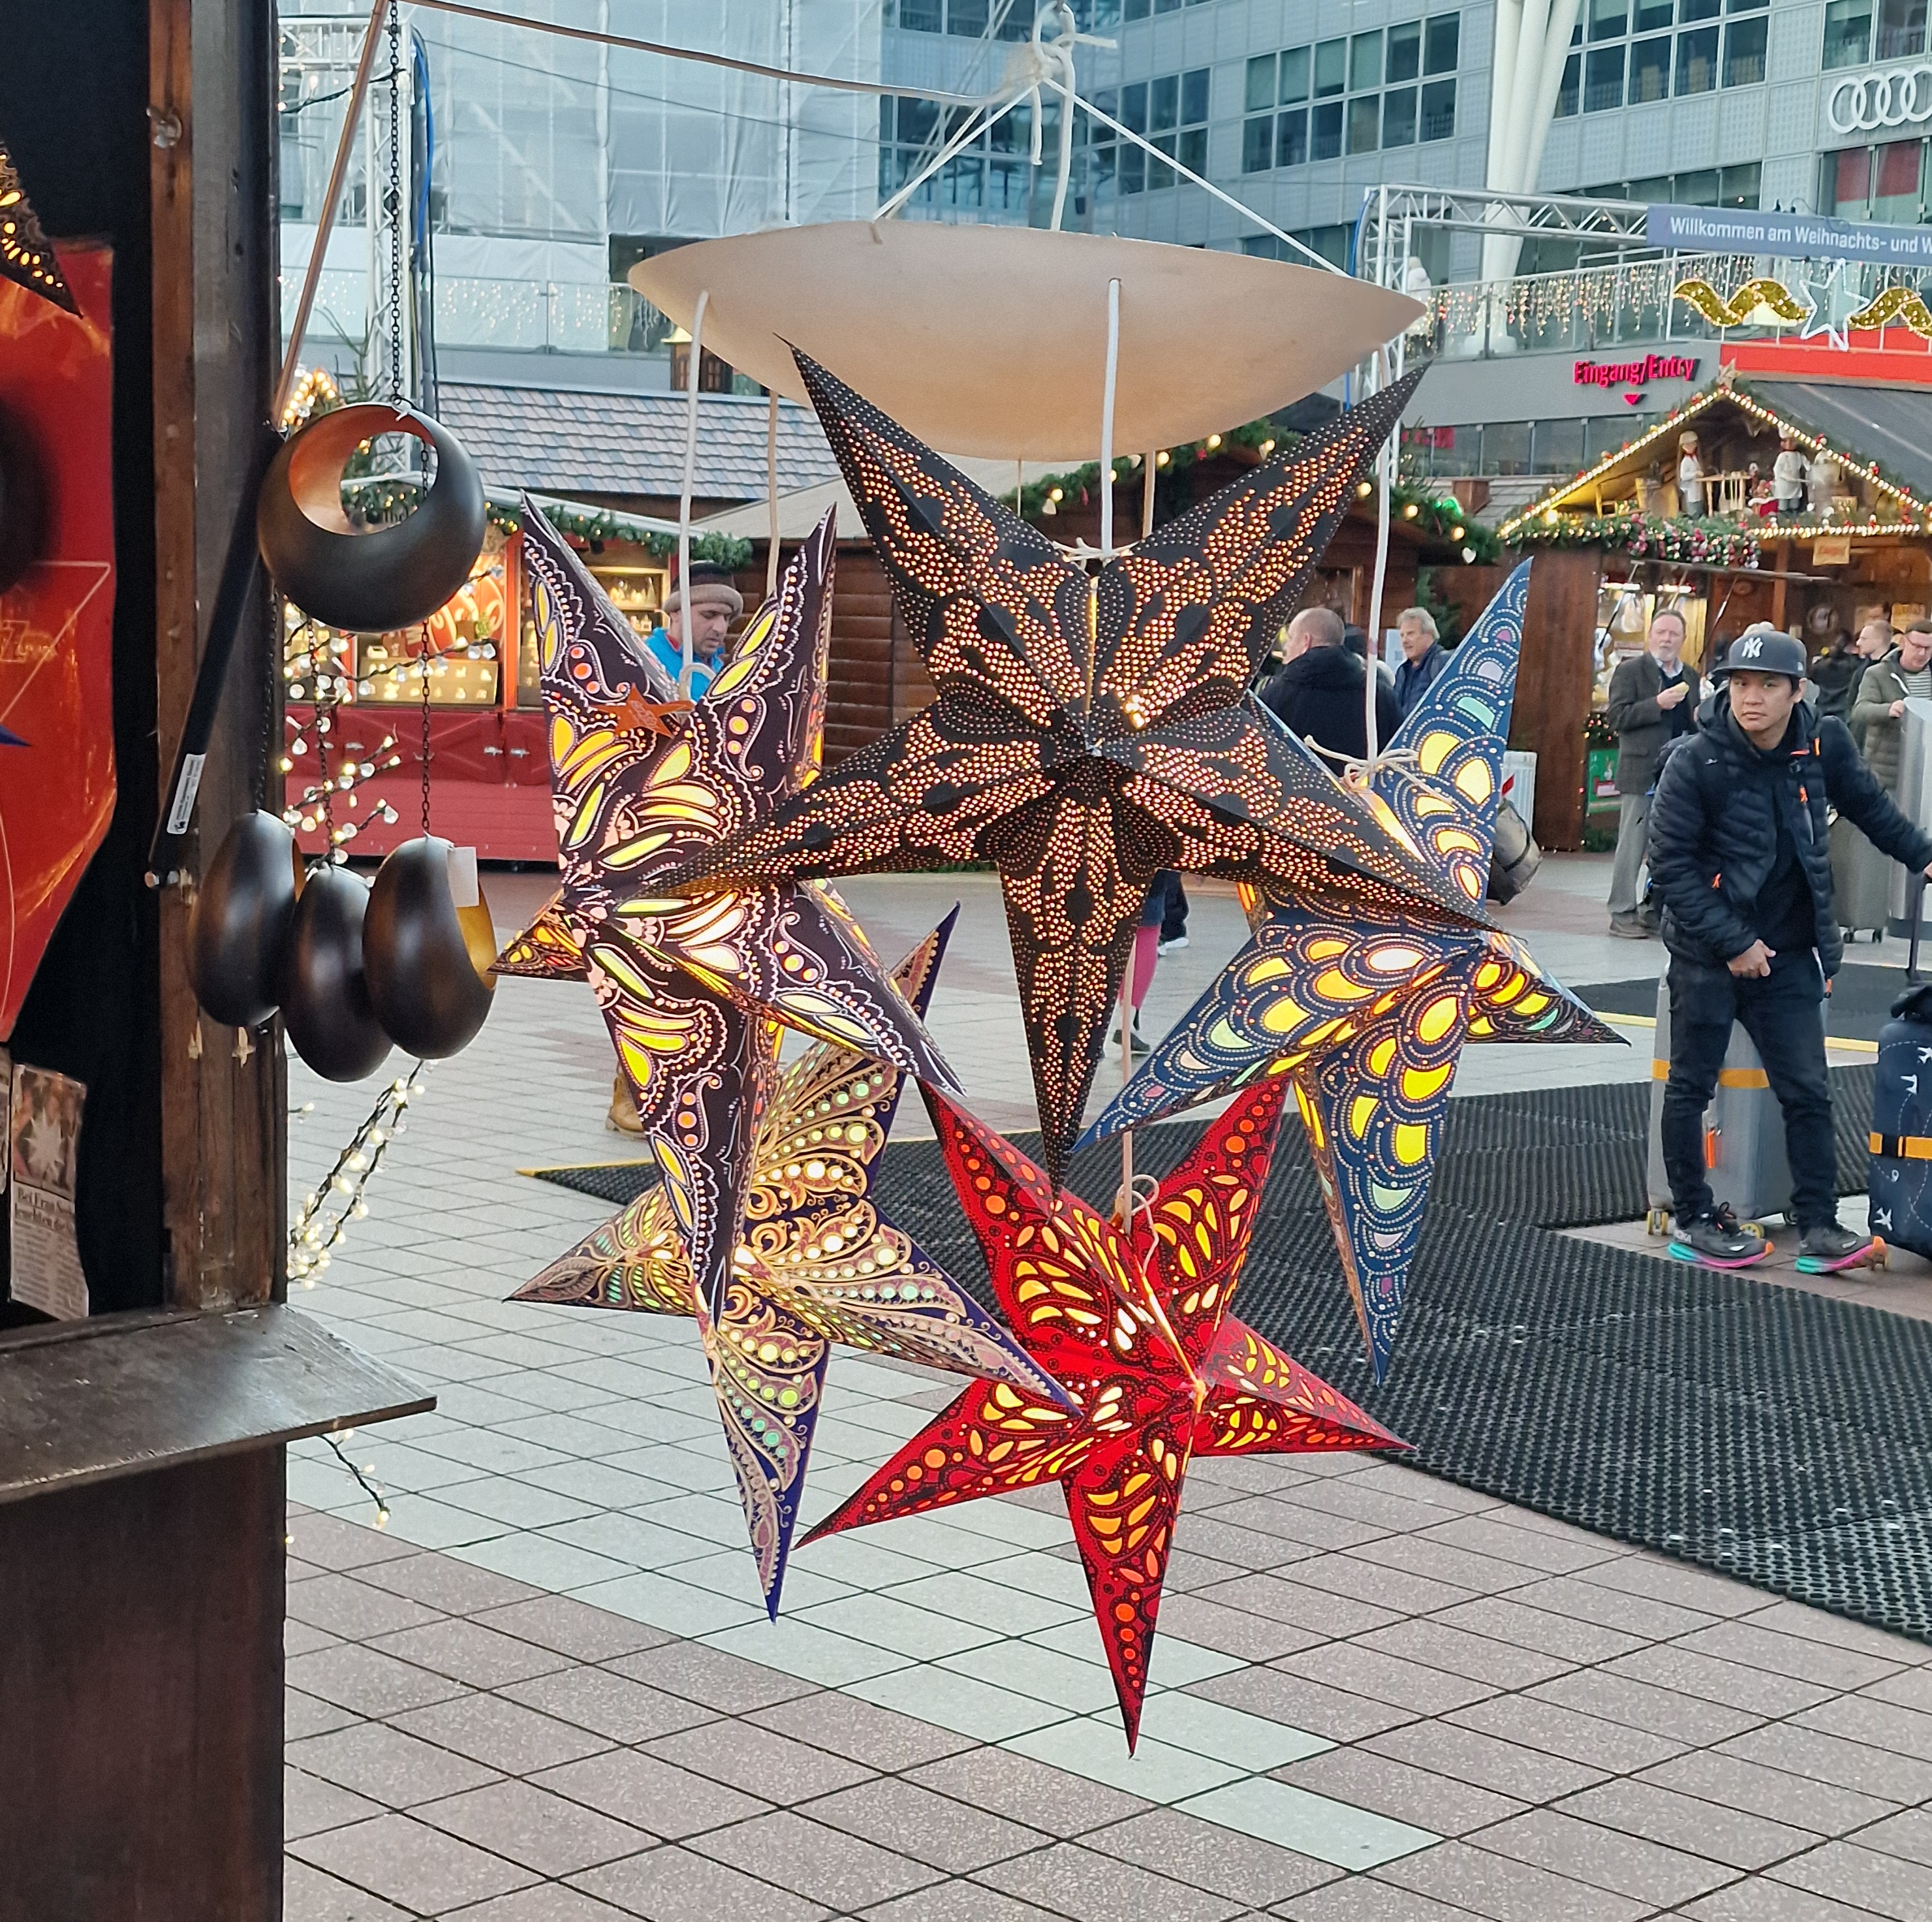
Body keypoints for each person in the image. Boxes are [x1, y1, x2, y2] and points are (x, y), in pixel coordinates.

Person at [1649, 625, 1932, 1270]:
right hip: (1706, 952)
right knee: (1691, 1086)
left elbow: (1869, 808)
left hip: (1788, 953)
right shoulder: (1695, 759)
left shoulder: (1821, 741)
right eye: (1739, 684)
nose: (1749, 698)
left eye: (1766, 685)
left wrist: (1923, 858)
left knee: (1807, 1089)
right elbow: (1670, 869)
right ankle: (1693, 1215)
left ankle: (1819, 1226)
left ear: (1795, 690)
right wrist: (1733, 942)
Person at [1605, 608, 1700, 938]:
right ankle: (1621, 912)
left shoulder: (1691, 676)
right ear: (1650, 636)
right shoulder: (1631, 672)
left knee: (1669, 846)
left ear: (1683, 639)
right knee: (1633, 846)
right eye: (1661, 632)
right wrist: (1657, 704)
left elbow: (1691, 723)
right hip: (1641, 770)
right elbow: (1616, 717)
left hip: (1678, 775)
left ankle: (1653, 909)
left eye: (1674, 634)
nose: (1667, 639)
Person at [1260, 605, 1400, 768]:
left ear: (1306, 641)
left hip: (1293, 790)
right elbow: (1396, 757)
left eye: (1290, 639)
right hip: (1358, 790)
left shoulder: (1275, 695)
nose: (1286, 647)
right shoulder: (1379, 695)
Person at [1852, 619, 1932, 795]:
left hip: (1927, 771)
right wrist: (1889, 710)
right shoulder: (1878, 673)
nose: (1922, 653)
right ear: (1904, 642)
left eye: (1928, 648)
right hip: (1888, 771)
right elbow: (1860, 711)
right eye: (1917, 646)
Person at [643, 561, 740, 698]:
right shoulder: (646, 662)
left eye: (727, 618)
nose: (720, 628)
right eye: (709, 615)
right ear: (675, 612)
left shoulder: (723, 668)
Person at [1392, 607, 1449, 719]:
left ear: (1429, 634)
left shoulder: (1442, 663)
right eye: (1402, 635)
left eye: (1411, 634)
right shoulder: (1403, 670)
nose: (1405, 640)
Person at [1847, 618, 1895, 733]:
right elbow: (1851, 704)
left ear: (1878, 641)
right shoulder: (1861, 669)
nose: (1858, 643)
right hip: (1860, 734)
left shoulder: (1895, 669)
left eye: (1864, 639)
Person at [1809, 629, 1858, 721]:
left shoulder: (1820, 664)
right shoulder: (1854, 665)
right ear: (1850, 646)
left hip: (1821, 709)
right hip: (1843, 712)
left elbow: (1812, 677)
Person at [1773, 434, 1807, 515]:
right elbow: (1777, 469)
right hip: (1784, 484)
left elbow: (1807, 465)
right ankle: (1783, 517)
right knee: (1783, 505)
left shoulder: (1799, 455)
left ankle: (1794, 518)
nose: (1791, 444)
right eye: (1788, 441)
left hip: (1795, 484)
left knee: (1795, 504)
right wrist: (1785, 476)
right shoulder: (1782, 456)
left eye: (1793, 441)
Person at [1677, 432, 1706, 517]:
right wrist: (1695, 473)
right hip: (1691, 490)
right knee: (1694, 511)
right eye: (1688, 445)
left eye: (1692, 445)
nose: (1691, 447)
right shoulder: (1685, 461)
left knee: (1700, 508)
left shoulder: (1695, 458)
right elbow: (1683, 476)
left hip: (1698, 489)